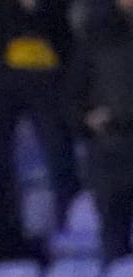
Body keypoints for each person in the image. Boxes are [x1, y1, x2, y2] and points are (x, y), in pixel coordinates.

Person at [0, 0, 82, 256]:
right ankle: (1, 244)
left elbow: (67, 19)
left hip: (51, 70)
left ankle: (70, 238)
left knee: (61, 163)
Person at [74, 0, 133, 262]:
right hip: (106, 151)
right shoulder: (91, 43)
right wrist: (86, 119)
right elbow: (73, 97)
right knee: (112, 235)